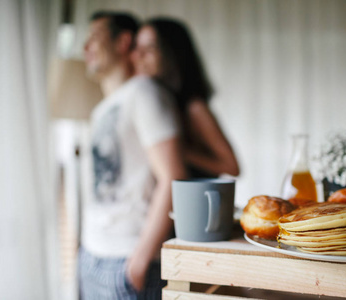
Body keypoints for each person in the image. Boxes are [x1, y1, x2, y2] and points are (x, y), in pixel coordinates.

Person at [80, 11, 187, 299]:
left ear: (123, 41)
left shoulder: (144, 92)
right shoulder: (101, 109)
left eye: (95, 37)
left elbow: (173, 177)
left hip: (127, 262)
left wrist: (139, 260)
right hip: (91, 255)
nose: (85, 47)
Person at [132, 17, 240, 178]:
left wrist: (176, 150)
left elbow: (232, 167)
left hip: (194, 199)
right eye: (137, 47)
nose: (138, 56)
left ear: (172, 53)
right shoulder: (149, 101)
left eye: (150, 48)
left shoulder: (194, 107)